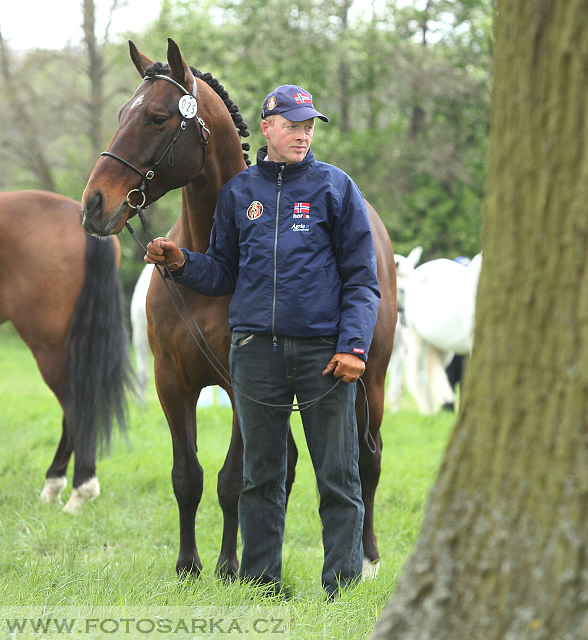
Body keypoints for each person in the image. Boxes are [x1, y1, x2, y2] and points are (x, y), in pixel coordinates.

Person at [144, 85, 380, 599]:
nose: (302, 134)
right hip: (255, 355)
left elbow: (363, 280)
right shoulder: (239, 193)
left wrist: (353, 347)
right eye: (292, 125)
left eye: (309, 126)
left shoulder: (337, 189)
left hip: (325, 355)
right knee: (260, 477)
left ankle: (341, 587)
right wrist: (181, 263)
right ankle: (260, 585)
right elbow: (224, 271)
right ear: (268, 128)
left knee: (337, 477)